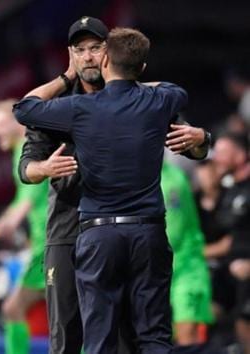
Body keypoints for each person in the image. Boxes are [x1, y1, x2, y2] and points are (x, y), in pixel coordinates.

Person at [17, 18, 211, 354]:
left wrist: (200, 139)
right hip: (67, 230)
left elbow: (193, 146)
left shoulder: (75, 107)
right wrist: (43, 168)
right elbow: (26, 166)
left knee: (122, 338)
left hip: (102, 231)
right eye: (80, 50)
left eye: (95, 48)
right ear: (71, 56)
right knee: (65, 336)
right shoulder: (137, 99)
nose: (89, 56)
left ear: (108, 55)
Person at [0, 98, 49, 354]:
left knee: (13, 309)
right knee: (70, 311)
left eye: (1, 124)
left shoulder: (28, 148)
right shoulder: (20, 151)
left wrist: (10, 222)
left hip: (50, 245)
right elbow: (22, 197)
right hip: (46, 244)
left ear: (18, 123)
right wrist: (3, 221)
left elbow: (30, 197)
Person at [160, 160, 213, 350]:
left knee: (188, 331)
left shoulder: (177, 175)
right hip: (149, 267)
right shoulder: (127, 176)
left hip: (186, 264)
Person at [210, 133, 250, 352]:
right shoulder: (228, 189)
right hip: (228, 270)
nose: (217, 159)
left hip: (246, 270)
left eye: (223, 153)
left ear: (241, 154)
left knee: (245, 320)